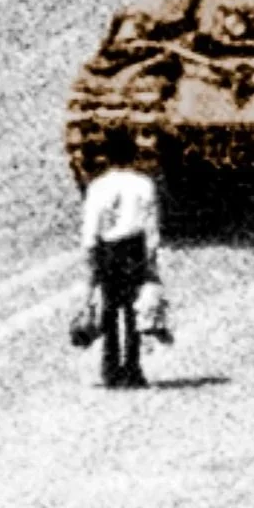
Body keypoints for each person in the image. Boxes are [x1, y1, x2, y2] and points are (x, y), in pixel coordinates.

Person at [78, 130, 169, 388]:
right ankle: (132, 368)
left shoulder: (99, 185)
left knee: (107, 307)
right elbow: (151, 225)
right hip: (134, 248)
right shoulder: (143, 184)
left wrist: (90, 254)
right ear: (133, 154)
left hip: (108, 248)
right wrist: (152, 257)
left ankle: (110, 367)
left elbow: (91, 224)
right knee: (133, 309)